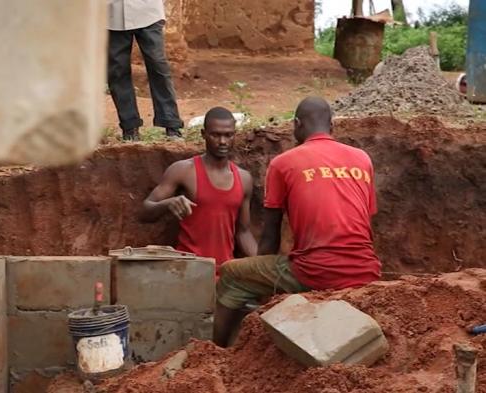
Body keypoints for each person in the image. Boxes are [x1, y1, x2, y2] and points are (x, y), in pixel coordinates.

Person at [213, 97, 382, 347]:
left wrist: (264, 290)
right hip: (366, 271)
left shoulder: (283, 163)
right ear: (331, 125)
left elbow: (270, 236)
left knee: (231, 273)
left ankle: (215, 352)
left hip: (315, 273)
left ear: (297, 124)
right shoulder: (362, 159)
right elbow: (367, 224)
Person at [140, 107, 257, 275]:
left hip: (225, 274)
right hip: (188, 271)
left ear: (234, 135)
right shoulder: (183, 171)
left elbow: (243, 232)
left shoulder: (244, 179)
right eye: (215, 135)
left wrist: (263, 264)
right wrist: (168, 204)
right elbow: (144, 212)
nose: (222, 141)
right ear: (203, 134)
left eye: (228, 135)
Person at [107, 0, 184, 141]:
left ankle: (171, 123)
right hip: (111, 14)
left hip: (148, 11)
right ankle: (129, 127)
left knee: (157, 65)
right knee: (117, 70)